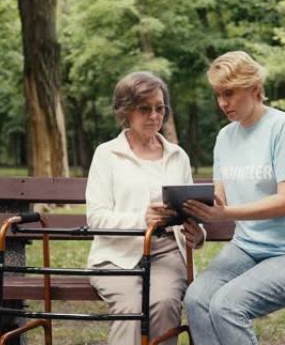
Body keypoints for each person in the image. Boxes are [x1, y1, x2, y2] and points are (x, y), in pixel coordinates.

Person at [183, 51, 285, 345]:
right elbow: (219, 199)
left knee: (227, 306)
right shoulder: (224, 137)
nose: (223, 103)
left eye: (230, 93)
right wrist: (194, 216)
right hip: (246, 248)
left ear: (254, 88)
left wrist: (227, 214)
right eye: (219, 94)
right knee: (197, 299)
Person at [85, 71, 205, 345]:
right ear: (125, 111)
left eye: (160, 108)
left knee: (164, 303)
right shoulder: (107, 154)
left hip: (167, 253)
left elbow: (193, 212)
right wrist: (142, 219)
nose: (154, 116)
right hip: (116, 256)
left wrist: (197, 234)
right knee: (129, 309)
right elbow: (96, 218)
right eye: (145, 109)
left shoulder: (178, 156)